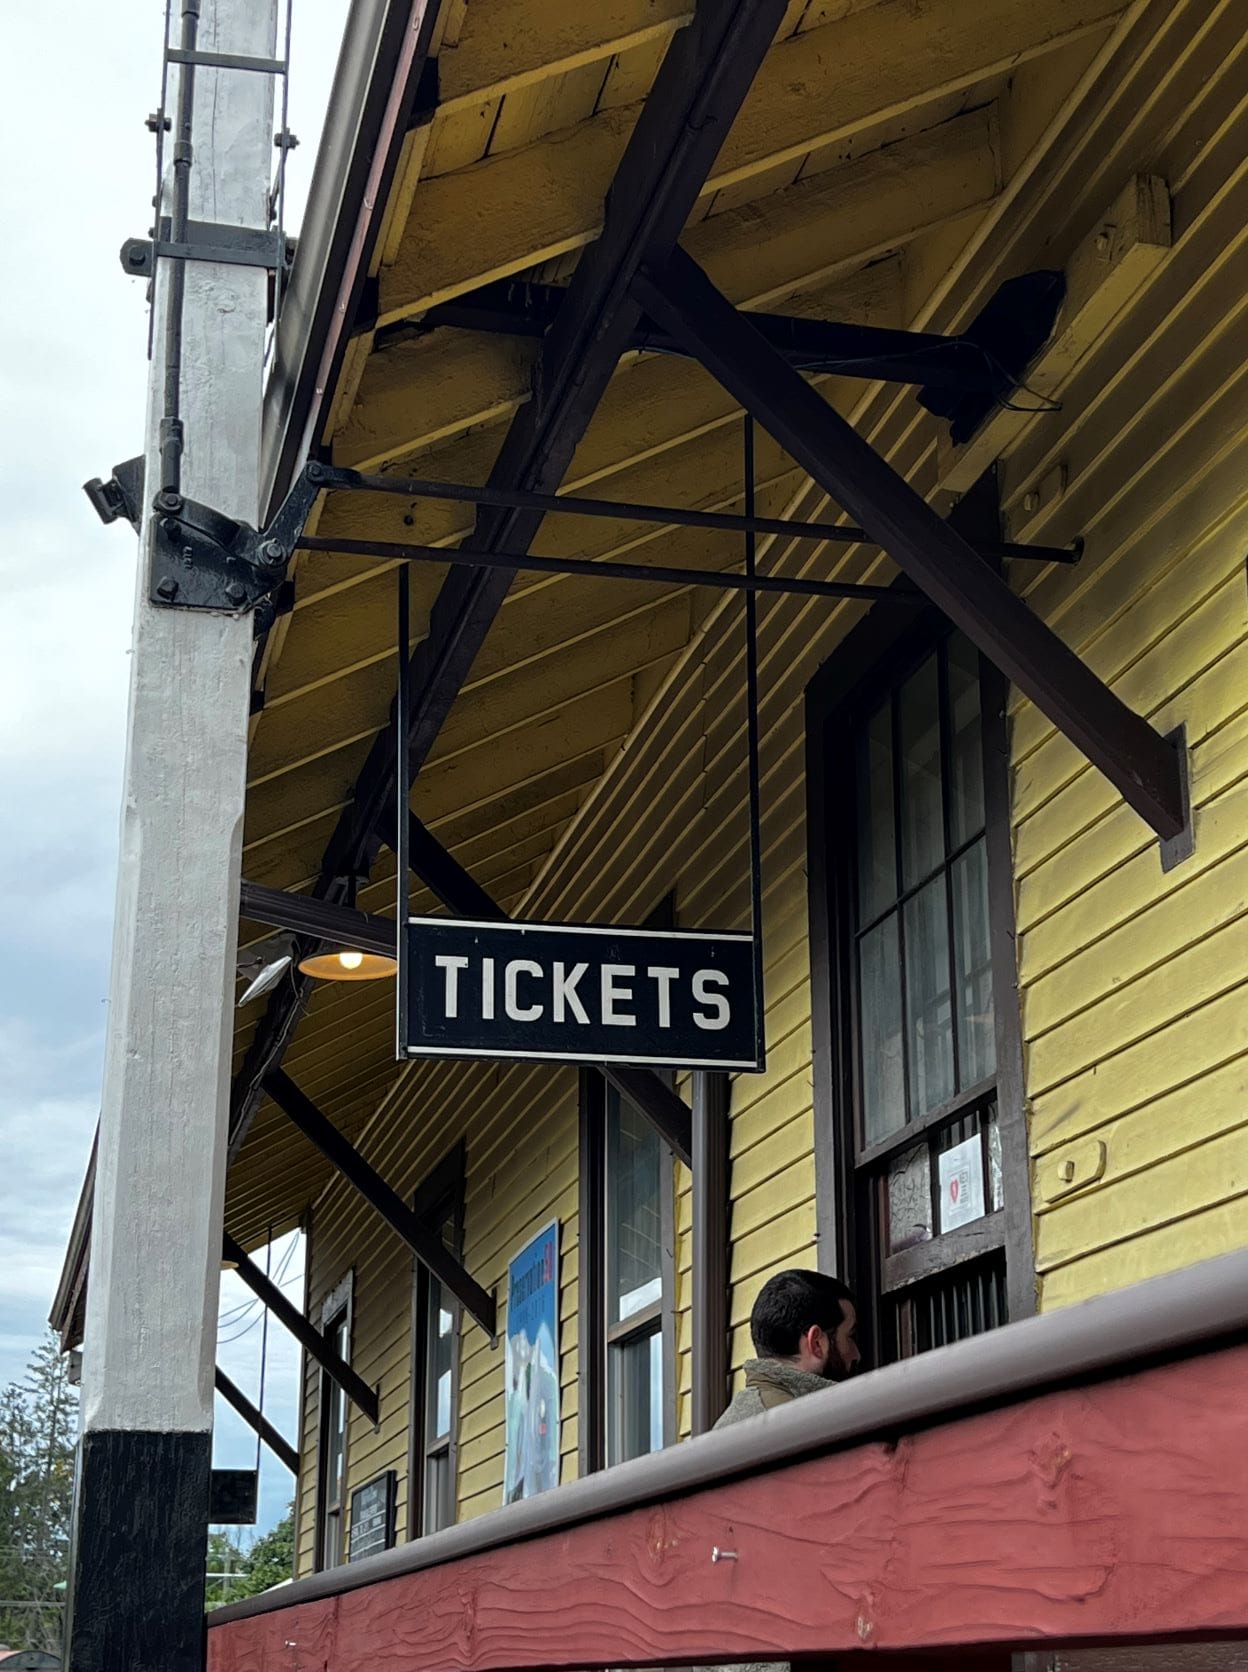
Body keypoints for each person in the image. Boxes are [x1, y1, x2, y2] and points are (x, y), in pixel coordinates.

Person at [714, 1268, 860, 1429]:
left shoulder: (735, 1422)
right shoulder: (801, 1429)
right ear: (816, 1342)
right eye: (850, 1337)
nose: (856, 1354)